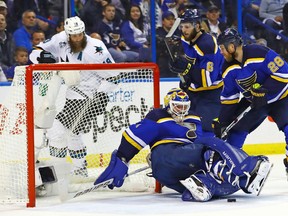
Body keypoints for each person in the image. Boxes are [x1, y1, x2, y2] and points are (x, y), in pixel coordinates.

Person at [94, 88, 273, 202]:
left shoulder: (194, 118)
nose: (182, 111)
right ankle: (245, 169)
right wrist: (122, 157)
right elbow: (133, 134)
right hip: (167, 154)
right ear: (168, 104)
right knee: (211, 148)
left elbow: (201, 141)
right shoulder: (158, 116)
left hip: (170, 173)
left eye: (184, 106)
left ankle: (207, 185)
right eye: (178, 107)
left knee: (220, 184)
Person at [29, 16, 115, 179]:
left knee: (56, 130)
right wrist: (42, 57)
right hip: (73, 96)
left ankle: (58, 173)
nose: (77, 38)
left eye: (80, 35)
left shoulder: (96, 48)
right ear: (67, 34)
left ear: (84, 32)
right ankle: (80, 169)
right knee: (73, 133)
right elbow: (36, 51)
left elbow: (114, 76)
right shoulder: (60, 39)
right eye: (73, 36)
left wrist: (101, 94)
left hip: (92, 97)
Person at [215, 28, 288, 173]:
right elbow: (230, 98)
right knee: (235, 131)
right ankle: (232, 167)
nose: (221, 52)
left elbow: (284, 73)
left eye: (222, 48)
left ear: (231, 46)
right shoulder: (227, 69)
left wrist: (264, 90)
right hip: (253, 103)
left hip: (281, 97)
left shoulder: (259, 53)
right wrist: (223, 121)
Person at [168, 9, 224, 137]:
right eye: (182, 26)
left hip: (210, 94)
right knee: (184, 127)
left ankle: (212, 154)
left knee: (205, 130)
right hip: (192, 92)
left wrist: (186, 69)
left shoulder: (207, 44)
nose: (184, 30)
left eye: (187, 26)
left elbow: (208, 81)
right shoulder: (184, 39)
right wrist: (182, 73)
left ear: (197, 26)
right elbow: (187, 66)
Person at [156, 10, 181, 77]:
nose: (171, 21)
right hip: (163, 59)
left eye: (173, 19)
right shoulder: (158, 32)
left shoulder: (178, 32)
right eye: (168, 19)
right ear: (163, 21)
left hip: (176, 59)